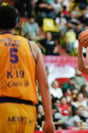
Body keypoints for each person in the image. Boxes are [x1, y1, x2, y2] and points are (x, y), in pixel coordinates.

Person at [0, 5, 55, 133]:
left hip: (3, 108)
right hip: (28, 112)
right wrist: (48, 119)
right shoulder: (33, 46)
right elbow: (44, 85)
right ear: (16, 24)